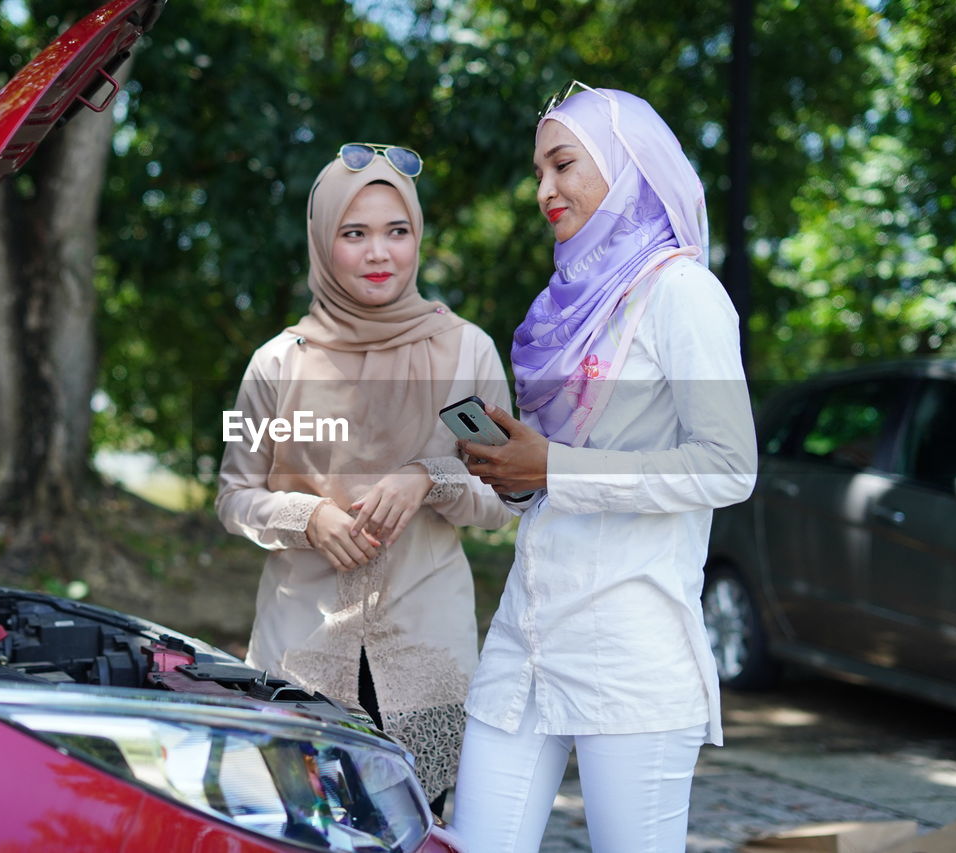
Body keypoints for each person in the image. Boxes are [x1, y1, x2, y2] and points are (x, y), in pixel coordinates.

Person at [450, 84, 758, 851]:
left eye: (562, 165)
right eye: (538, 172)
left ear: (628, 168)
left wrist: (554, 465)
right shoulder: (567, 308)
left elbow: (729, 466)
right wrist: (521, 475)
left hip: (630, 650)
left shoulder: (683, 293)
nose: (543, 190)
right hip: (525, 641)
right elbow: (557, 477)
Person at [215, 143, 512, 811]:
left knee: (422, 829)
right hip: (303, 653)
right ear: (324, 240)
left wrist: (429, 478)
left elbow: (504, 498)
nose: (380, 253)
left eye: (396, 231)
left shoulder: (468, 350)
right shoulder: (275, 364)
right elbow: (233, 497)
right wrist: (307, 518)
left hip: (427, 657)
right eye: (355, 233)